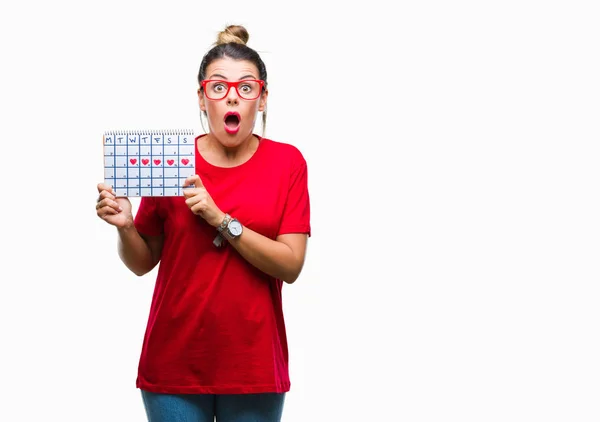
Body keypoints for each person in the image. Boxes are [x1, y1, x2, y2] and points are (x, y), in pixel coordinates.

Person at [95, 24, 311, 422]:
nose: (232, 95)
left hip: (254, 366)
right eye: (218, 87)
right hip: (173, 364)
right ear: (202, 97)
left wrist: (221, 220)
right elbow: (143, 262)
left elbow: (291, 265)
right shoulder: (171, 160)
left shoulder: (288, 163)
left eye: (246, 88)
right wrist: (125, 226)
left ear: (261, 100)